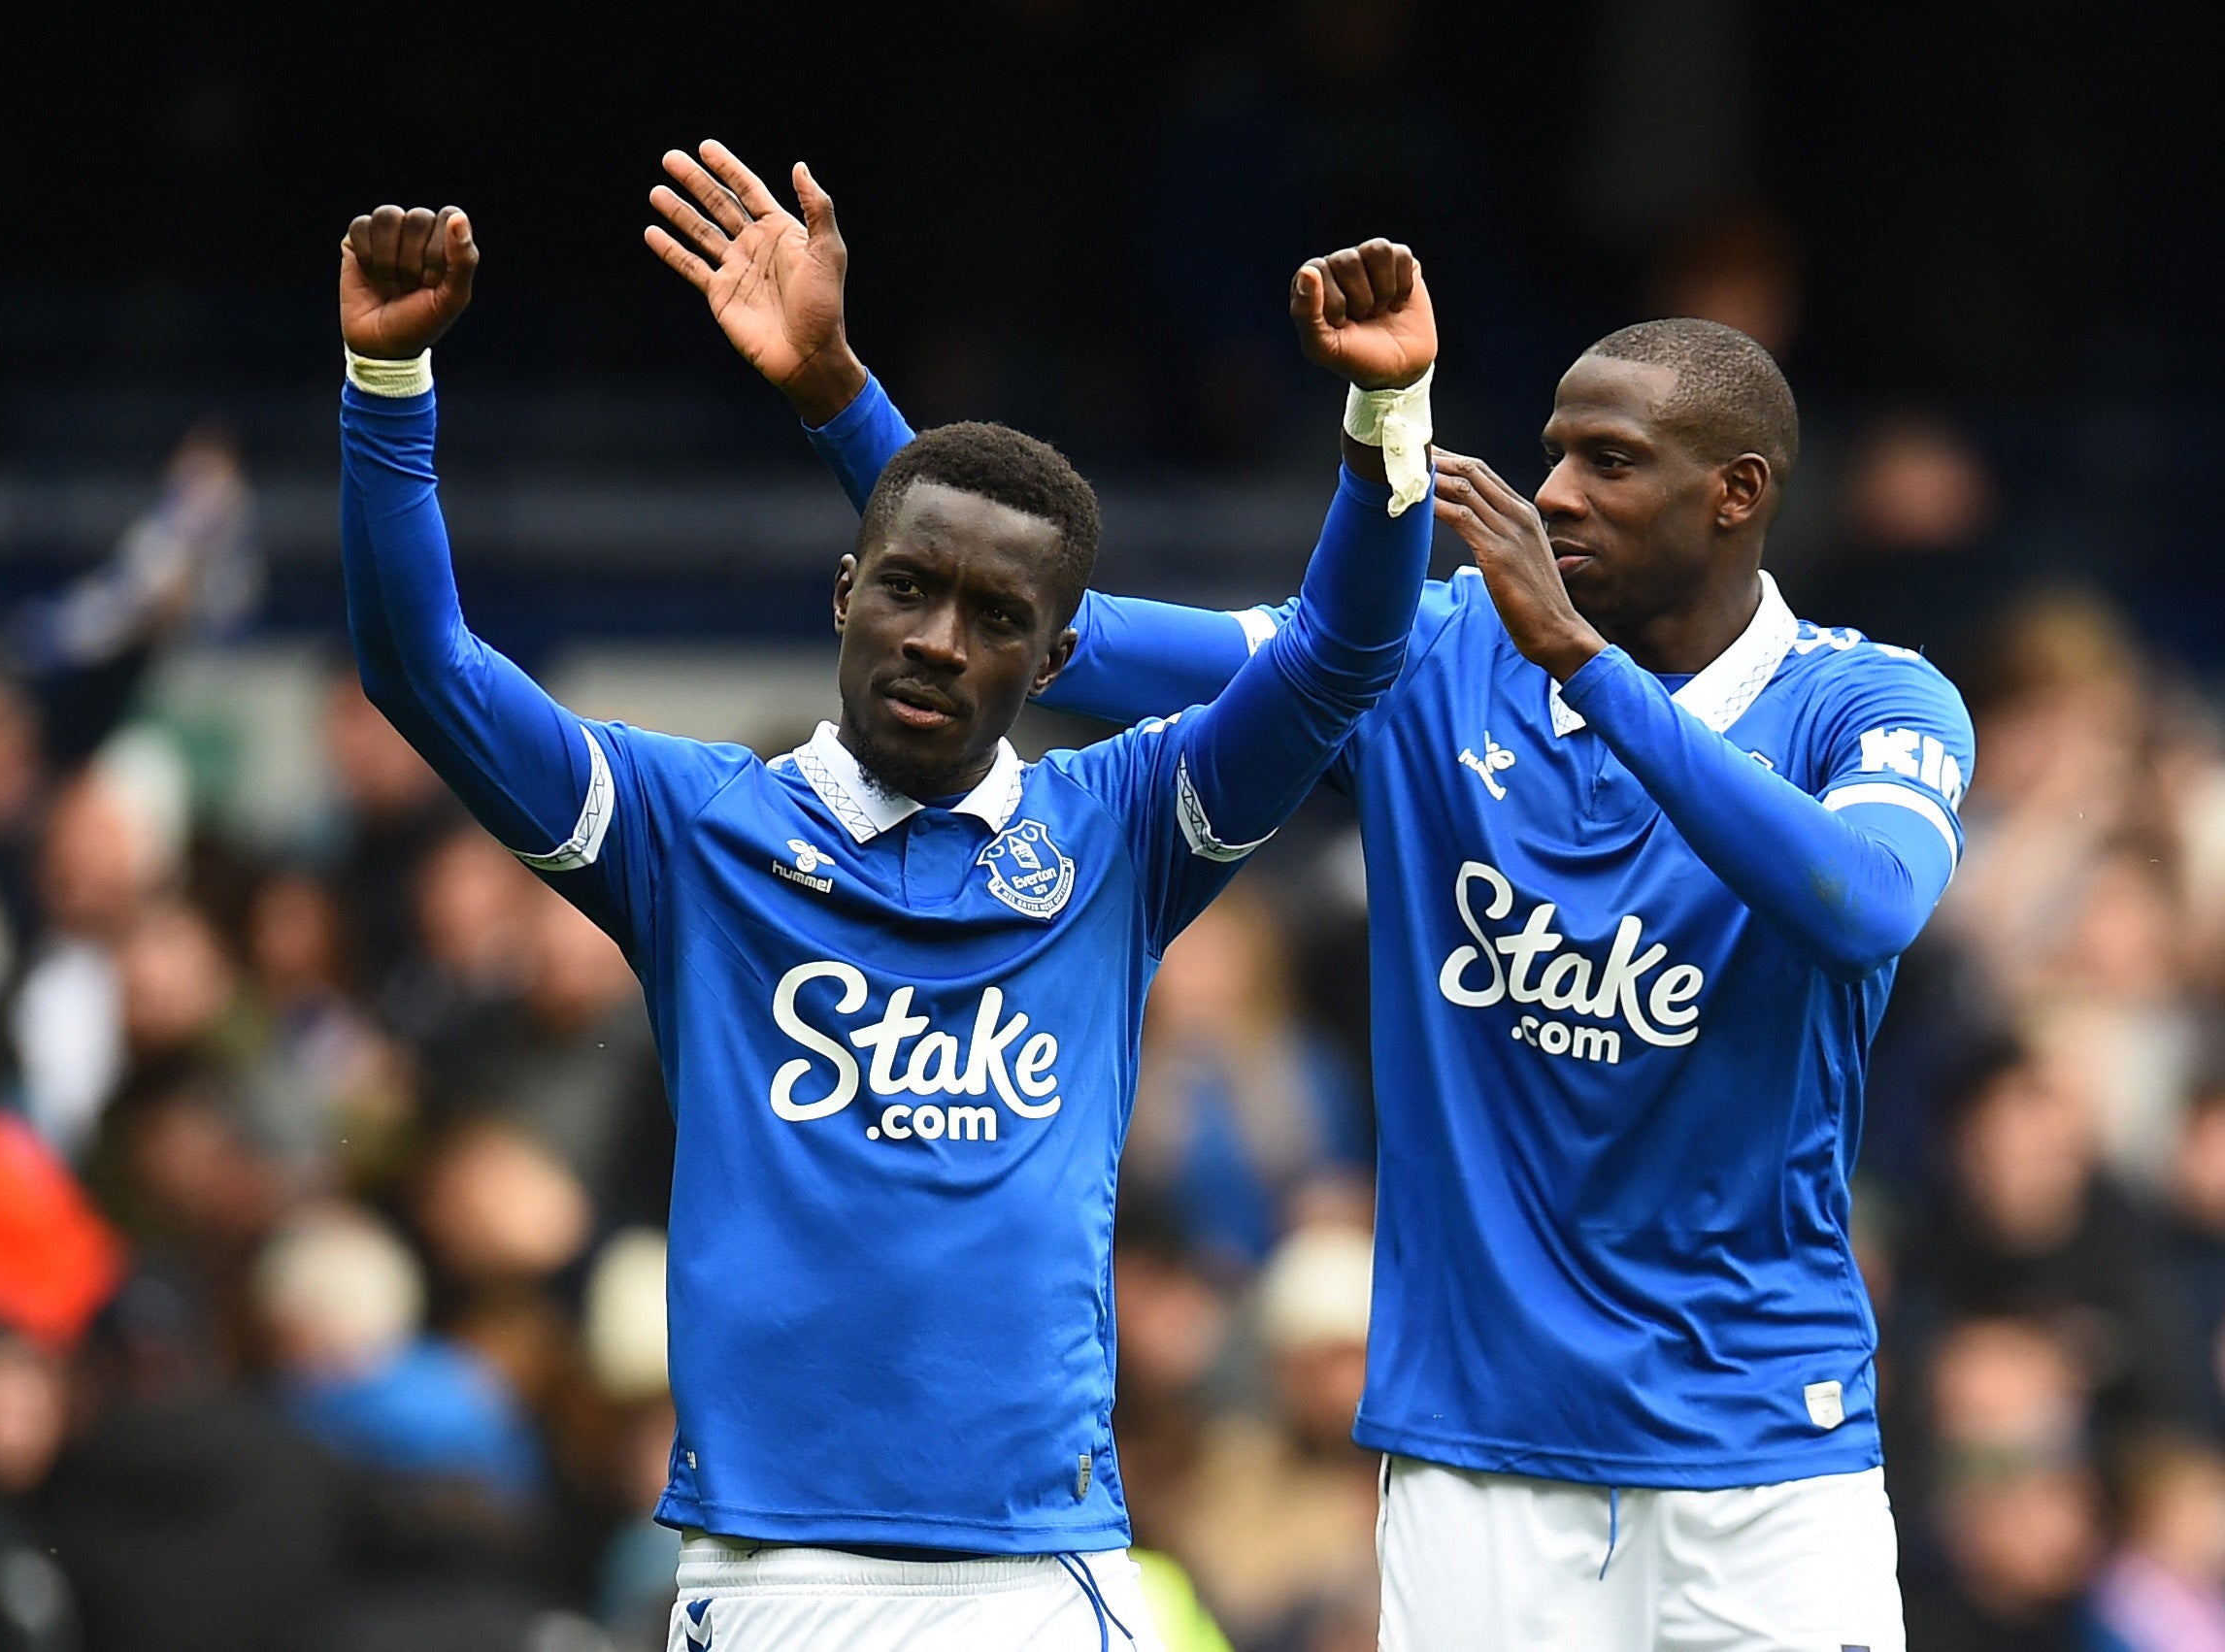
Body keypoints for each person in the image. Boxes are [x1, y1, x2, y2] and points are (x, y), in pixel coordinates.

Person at [680, 137, 1976, 1647]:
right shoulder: (1430, 657)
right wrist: (841, 394)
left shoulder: (1869, 703)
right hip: (1478, 1448)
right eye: (1552, 449)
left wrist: (1587, 670)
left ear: (1735, 495)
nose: (1552, 491)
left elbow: (1869, 902)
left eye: (1607, 463)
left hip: (1769, 1446)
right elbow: (1071, 638)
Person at [342, 172, 1438, 1648]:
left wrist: (1385, 423)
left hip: (1036, 1571)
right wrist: (388, 379)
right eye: (909, 589)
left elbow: (1339, 656)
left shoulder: (1117, 831)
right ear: (844, 589)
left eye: (994, 620)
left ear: (1051, 662)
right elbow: (424, 666)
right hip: (771, 1568)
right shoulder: (693, 829)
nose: (936, 639)